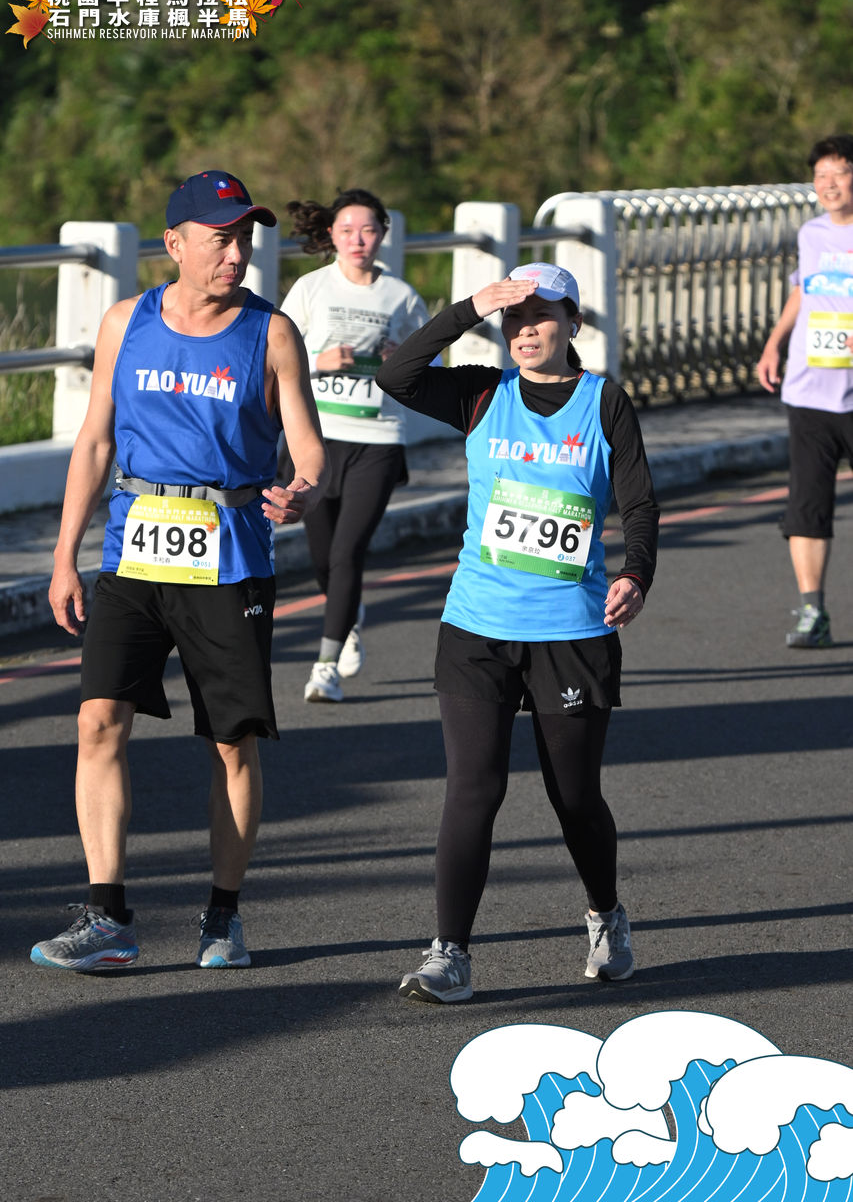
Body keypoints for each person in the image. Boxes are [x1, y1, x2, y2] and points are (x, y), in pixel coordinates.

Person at [31, 170, 327, 973]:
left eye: (244, 240)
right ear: (175, 243)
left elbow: (307, 445)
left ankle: (222, 917)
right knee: (98, 721)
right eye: (220, 239)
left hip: (230, 559)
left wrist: (302, 487)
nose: (236, 254)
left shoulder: (270, 332)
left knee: (231, 743)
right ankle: (107, 917)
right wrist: (64, 557)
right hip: (133, 550)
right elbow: (95, 441)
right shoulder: (125, 321)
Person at [376, 262, 659, 1003]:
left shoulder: (604, 401)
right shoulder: (481, 393)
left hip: (571, 631)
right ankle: (449, 954)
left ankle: (605, 915)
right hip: (476, 625)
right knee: (473, 788)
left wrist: (635, 573)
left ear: (572, 323)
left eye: (541, 315)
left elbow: (638, 502)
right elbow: (397, 376)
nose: (525, 329)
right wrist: (469, 307)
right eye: (514, 316)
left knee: (575, 797)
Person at [281, 189, 428, 703]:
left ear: (383, 233)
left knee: (347, 553)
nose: (357, 240)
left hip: (378, 440)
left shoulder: (402, 297)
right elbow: (276, 356)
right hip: (316, 441)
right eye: (346, 230)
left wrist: (402, 360)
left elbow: (428, 368)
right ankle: (347, 618)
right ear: (331, 235)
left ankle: (325, 669)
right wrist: (318, 362)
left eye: (368, 230)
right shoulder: (311, 288)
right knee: (323, 558)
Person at [757, 133, 853, 648]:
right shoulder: (811, 233)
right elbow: (803, 288)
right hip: (810, 393)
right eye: (821, 176)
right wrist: (774, 343)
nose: (829, 184)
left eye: (840, 173)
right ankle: (813, 612)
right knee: (807, 507)